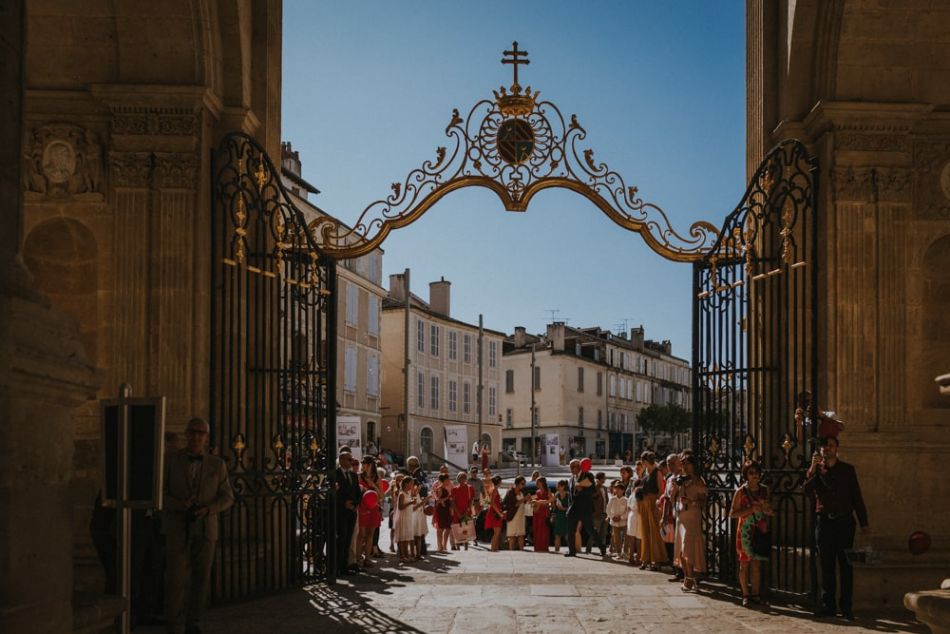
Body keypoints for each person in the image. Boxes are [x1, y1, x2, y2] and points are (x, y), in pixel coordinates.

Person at [164, 417, 234, 634]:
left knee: (201, 580)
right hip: (177, 528)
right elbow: (159, 494)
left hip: (205, 530)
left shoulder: (217, 464)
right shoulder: (170, 460)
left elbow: (227, 497)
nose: (196, 436)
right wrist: (178, 504)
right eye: (193, 432)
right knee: (175, 580)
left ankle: (193, 623)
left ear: (206, 437)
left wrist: (209, 509)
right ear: (187, 434)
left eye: (200, 433)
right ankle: (173, 625)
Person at [803, 436, 869, 621]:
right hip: (824, 523)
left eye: (831, 445)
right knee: (827, 566)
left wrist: (864, 523)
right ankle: (828, 605)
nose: (827, 448)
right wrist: (812, 469)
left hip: (844, 523)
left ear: (836, 448)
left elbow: (857, 497)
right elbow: (806, 491)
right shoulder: (817, 472)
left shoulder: (848, 470)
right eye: (825, 446)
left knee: (846, 565)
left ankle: (846, 607)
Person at [731, 460, 773, 607]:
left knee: (756, 564)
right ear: (746, 475)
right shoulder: (740, 492)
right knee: (744, 565)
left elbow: (769, 509)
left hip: (759, 529)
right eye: (751, 473)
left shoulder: (764, 490)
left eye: (756, 473)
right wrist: (750, 511)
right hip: (745, 531)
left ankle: (755, 594)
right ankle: (745, 594)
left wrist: (767, 510)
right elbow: (732, 513)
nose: (754, 476)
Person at [670, 455, 707, 592]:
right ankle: (687, 577)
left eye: (688, 463)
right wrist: (674, 487)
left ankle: (690, 578)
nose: (685, 466)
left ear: (693, 465)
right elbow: (672, 498)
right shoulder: (679, 480)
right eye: (683, 463)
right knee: (680, 548)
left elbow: (703, 501)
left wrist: (691, 502)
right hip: (681, 517)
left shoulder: (698, 481)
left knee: (688, 547)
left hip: (692, 517)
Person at [565, 459, 606, 558]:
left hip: (585, 508)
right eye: (570, 467)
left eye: (573, 467)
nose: (571, 469)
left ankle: (602, 547)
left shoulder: (588, 475)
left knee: (590, 529)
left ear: (579, 466)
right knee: (570, 530)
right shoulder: (571, 479)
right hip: (574, 509)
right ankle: (572, 551)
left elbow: (592, 490)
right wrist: (568, 508)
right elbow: (570, 495)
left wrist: (582, 489)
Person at [635, 451, 667, 569]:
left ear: (644, 461)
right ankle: (646, 559)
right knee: (645, 532)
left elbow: (661, 490)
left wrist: (658, 504)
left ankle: (657, 560)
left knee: (654, 533)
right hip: (644, 503)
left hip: (653, 503)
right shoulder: (646, 472)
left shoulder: (656, 472)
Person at [334, 451, 362, 576]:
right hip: (341, 512)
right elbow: (333, 493)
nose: (351, 462)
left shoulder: (354, 475)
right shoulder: (335, 474)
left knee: (348, 539)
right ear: (341, 461)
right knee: (341, 539)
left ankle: (345, 565)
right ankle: (338, 566)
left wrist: (356, 504)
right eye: (348, 460)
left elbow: (357, 492)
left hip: (351, 512)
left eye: (352, 460)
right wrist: (343, 503)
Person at [356, 456, 382, 567]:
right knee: (361, 534)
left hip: (374, 508)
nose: (363, 465)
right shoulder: (359, 476)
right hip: (362, 507)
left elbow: (381, 495)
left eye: (364, 463)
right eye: (362, 463)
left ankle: (367, 558)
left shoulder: (377, 478)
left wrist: (373, 485)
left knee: (370, 534)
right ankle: (357, 558)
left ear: (370, 465)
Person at [661, 453, 683, 582]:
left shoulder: (682, 478)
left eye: (672, 463)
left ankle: (683, 571)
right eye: (668, 463)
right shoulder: (669, 479)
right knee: (670, 542)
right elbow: (666, 499)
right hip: (670, 514)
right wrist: (664, 516)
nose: (670, 466)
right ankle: (676, 568)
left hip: (681, 513)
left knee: (679, 543)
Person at [450, 472, 475, 550]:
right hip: (457, 511)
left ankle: (466, 547)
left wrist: (467, 511)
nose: (462, 479)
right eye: (461, 478)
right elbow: (453, 502)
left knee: (466, 528)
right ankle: (457, 547)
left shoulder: (470, 488)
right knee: (457, 528)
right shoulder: (454, 489)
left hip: (466, 510)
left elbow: (471, 501)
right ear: (458, 479)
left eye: (464, 478)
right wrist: (458, 513)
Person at [504, 476, 528, 551]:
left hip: (521, 515)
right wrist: (524, 499)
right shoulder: (511, 492)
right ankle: (511, 551)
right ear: (517, 483)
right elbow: (515, 504)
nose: (523, 485)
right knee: (512, 536)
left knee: (521, 534)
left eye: (524, 484)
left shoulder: (522, 492)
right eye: (522, 483)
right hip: (513, 515)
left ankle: (522, 550)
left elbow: (523, 503)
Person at [394, 477, 414, 563]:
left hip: (408, 517)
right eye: (411, 483)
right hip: (403, 517)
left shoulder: (408, 493)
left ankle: (407, 555)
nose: (412, 486)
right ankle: (402, 556)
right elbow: (400, 507)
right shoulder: (402, 494)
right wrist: (410, 502)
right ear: (406, 484)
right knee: (402, 537)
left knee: (407, 538)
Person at [588, 472, 609, 554]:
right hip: (596, 515)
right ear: (599, 479)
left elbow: (606, 500)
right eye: (604, 478)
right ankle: (588, 549)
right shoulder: (593, 488)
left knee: (603, 533)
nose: (605, 480)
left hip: (605, 513)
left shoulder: (605, 488)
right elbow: (592, 498)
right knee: (594, 533)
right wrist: (597, 486)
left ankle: (602, 550)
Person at [606, 481, 628, 557]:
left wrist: (621, 517)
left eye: (619, 489)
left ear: (623, 490)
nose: (617, 491)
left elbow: (627, 511)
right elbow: (608, 509)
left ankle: (625, 552)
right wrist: (612, 517)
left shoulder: (626, 500)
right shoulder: (612, 499)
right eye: (616, 489)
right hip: (614, 522)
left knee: (626, 538)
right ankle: (618, 553)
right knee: (616, 538)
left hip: (624, 522)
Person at [485, 475, 505, 551]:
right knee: (497, 532)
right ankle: (493, 549)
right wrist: (499, 513)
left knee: (497, 532)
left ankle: (495, 548)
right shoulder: (494, 490)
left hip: (495, 512)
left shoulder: (495, 490)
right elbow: (492, 503)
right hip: (494, 513)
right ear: (498, 482)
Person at [434, 474, 454, 552]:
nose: (449, 481)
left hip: (446, 510)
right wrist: (447, 498)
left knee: (448, 528)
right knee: (441, 529)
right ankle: (440, 546)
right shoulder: (440, 489)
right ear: (443, 480)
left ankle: (444, 545)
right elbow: (438, 501)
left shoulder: (444, 488)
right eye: (447, 479)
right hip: (442, 511)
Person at [532, 477, 551, 552]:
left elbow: (551, 502)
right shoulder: (537, 492)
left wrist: (544, 503)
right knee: (537, 530)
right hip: (537, 513)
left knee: (544, 531)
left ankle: (544, 547)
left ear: (542, 483)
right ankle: (537, 547)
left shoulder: (548, 491)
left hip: (544, 513)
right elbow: (535, 502)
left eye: (537, 482)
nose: (536, 484)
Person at [552, 480, 571, 553]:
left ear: (563, 487)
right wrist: (554, 504)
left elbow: (571, 507)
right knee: (557, 535)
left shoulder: (568, 495)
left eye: (558, 486)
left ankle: (571, 550)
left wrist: (563, 508)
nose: (557, 487)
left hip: (566, 516)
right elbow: (553, 506)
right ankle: (557, 551)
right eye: (557, 486)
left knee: (567, 535)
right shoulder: (557, 494)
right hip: (559, 516)